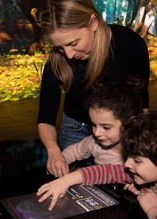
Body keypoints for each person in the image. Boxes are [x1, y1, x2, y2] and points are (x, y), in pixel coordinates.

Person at [37, 0, 150, 178]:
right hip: (74, 128)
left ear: (94, 22)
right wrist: (53, 150)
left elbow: (141, 104)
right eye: (60, 47)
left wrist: (138, 147)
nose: (68, 55)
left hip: (118, 131)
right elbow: (46, 117)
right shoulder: (58, 61)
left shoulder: (130, 45)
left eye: (74, 43)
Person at [37, 108, 157, 219]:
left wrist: (153, 209)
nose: (128, 164)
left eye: (137, 160)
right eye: (129, 157)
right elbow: (105, 171)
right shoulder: (143, 173)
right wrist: (65, 181)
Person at [61, 82, 143, 170]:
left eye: (106, 127)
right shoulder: (94, 143)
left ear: (130, 124)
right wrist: (59, 161)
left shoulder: (142, 151)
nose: (96, 133)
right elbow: (73, 152)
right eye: (93, 125)